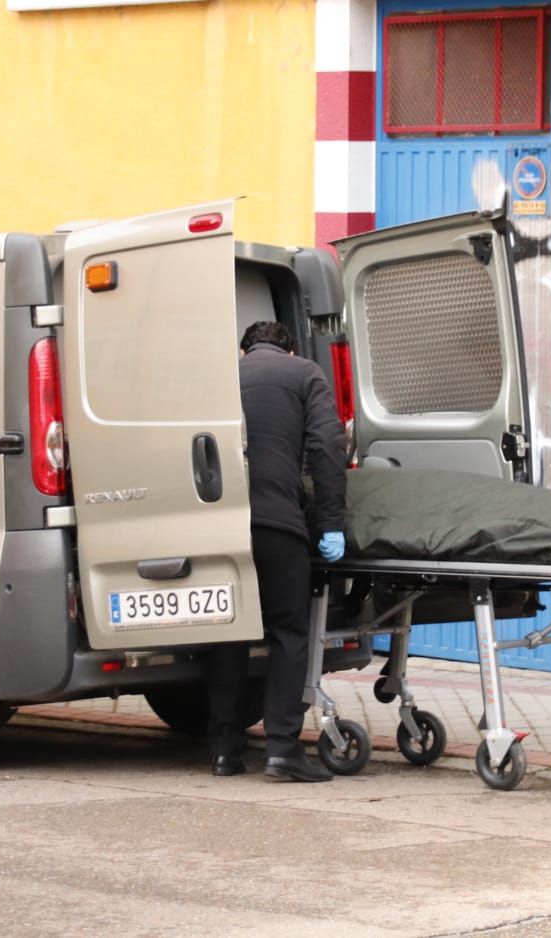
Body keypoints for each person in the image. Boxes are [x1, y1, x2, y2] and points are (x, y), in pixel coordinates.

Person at [204, 320, 347, 782]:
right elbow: (327, 447)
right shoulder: (305, 374)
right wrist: (330, 523)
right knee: (288, 632)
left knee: (227, 632)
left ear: (242, 350)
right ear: (287, 351)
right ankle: (283, 750)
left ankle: (225, 751)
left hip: (218, 526)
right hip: (278, 523)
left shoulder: (218, 378)